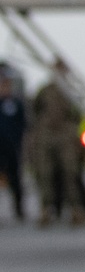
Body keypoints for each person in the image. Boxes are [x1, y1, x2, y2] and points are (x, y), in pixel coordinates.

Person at [31, 78, 85, 225]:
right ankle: (47, 208)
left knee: (70, 172)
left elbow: (78, 113)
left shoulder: (70, 90)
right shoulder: (45, 90)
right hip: (47, 134)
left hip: (65, 134)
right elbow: (35, 109)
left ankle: (75, 208)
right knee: (45, 173)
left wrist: (74, 132)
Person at [0, 71, 26, 221]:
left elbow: (22, 124)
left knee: (15, 178)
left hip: (12, 147)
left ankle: (19, 209)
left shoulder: (16, 104)